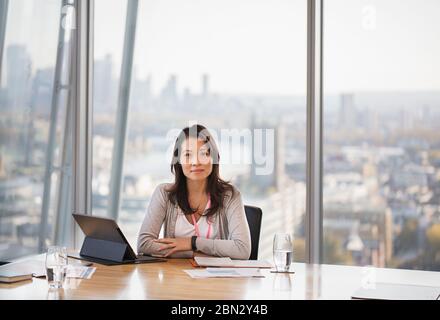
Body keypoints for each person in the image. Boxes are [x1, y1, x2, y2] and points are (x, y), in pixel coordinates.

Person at [137, 124, 251, 259]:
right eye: (187, 155)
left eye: (203, 154)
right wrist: (199, 252)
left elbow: (242, 250)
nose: (196, 162)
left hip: (216, 279)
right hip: (174, 278)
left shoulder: (230, 196)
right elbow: (144, 244)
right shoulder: (164, 193)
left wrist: (192, 243)